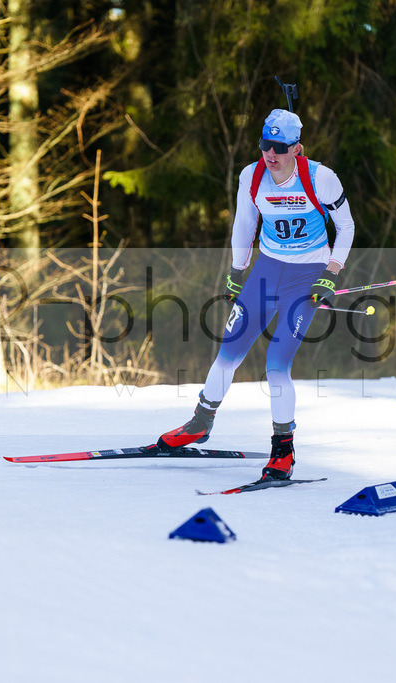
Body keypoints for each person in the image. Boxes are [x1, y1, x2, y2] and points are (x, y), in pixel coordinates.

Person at [153, 108, 356, 481]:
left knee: (276, 365)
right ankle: (200, 422)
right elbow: (244, 224)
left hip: (306, 276)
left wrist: (331, 272)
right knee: (228, 351)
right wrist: (237, 270)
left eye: (280, 147)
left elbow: (346, 226)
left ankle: (283, 450)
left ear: (296, 148)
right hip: (266, 271)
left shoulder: (321, 178)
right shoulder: (251, 176)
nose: (271, 154)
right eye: (265, 145)